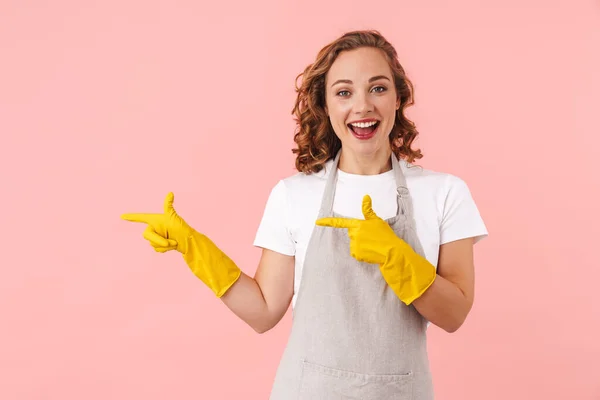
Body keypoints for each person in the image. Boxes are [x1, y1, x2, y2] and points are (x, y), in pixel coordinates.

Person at [122, 30, 488, 399]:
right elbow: (264, 311)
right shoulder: (294, 195)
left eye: (377, 88)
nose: (362, 106)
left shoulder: (444, 192)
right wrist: (194, 248)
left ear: (398, 98)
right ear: (326, 106)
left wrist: (398, 256)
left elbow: (454, 315)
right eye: (344, 92)